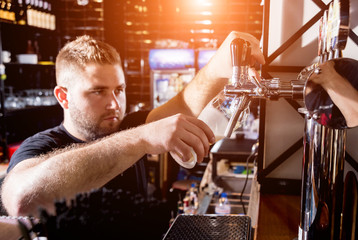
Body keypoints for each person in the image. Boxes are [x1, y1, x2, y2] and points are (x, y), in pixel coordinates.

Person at [1, 31, 265, 217]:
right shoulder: (41, 147)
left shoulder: (127, 126)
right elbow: (22, 200)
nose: (114, 103)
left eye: (119, 89)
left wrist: (220, 64)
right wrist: (143, 138)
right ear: (63, 96)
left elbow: (185, 104)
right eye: (98, 92)